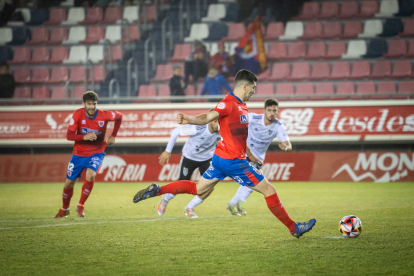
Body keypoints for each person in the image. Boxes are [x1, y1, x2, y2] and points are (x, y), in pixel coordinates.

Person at [133, 69, 316, 239]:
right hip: (233, 161)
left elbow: (239, 136)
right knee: (269, 190)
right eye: (253, 88)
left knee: (198, 189)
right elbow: (208, 117)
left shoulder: (242, 106)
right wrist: (190, 119)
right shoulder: (228, 103)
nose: (254, 91)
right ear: (245, 86)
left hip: (221, 159)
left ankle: (158, 190)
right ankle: (294, 228)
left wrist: (250, 155)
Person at [54, 91, 123, 218]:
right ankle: (65, 209)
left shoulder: (104, 115)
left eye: (94, 104)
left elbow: (119, 116)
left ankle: (80, 206)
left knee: (91, 175)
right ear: (84, 104)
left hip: (96, 152)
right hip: (78, 154)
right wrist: (84, 137)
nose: (92, 107)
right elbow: (69, 135)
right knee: (69, 183)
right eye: (89, 104)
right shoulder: (77, 114)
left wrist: (113, 135)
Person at [226, 98, 291, 216]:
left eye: (274, 110)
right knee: (255, 180)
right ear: (264, 110)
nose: (272, 113)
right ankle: (239, 203)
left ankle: (233, 203)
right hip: (244, 154)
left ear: (278, 111)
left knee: (250, 181)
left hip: (258, 158)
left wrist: (285, 147)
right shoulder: (253, 118)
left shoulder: (278, 126)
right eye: (269, 110)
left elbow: (288, 144)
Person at [157, 112, 220, 218]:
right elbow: (176, 131)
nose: (218, 124)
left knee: (209, 187)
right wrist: (168, 151)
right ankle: (165, 199)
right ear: (209, 120)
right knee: (180, 186)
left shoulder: (223, 131)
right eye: (215, 121)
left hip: (207, 159)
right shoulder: (198, 128)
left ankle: (190, 207)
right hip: (189, 158)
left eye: (220, 121)